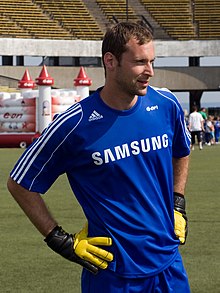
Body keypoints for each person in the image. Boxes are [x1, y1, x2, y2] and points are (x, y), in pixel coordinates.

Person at [7, 22, 191, 293]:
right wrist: (59, 239)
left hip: (170, 265)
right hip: (111, 274)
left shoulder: (166, 104)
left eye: (152, 61)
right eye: (140, 62)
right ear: (111, 61)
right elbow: (20, 182)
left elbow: (181, 151)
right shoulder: (74, 124)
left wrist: (178, 203)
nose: (150, 71)